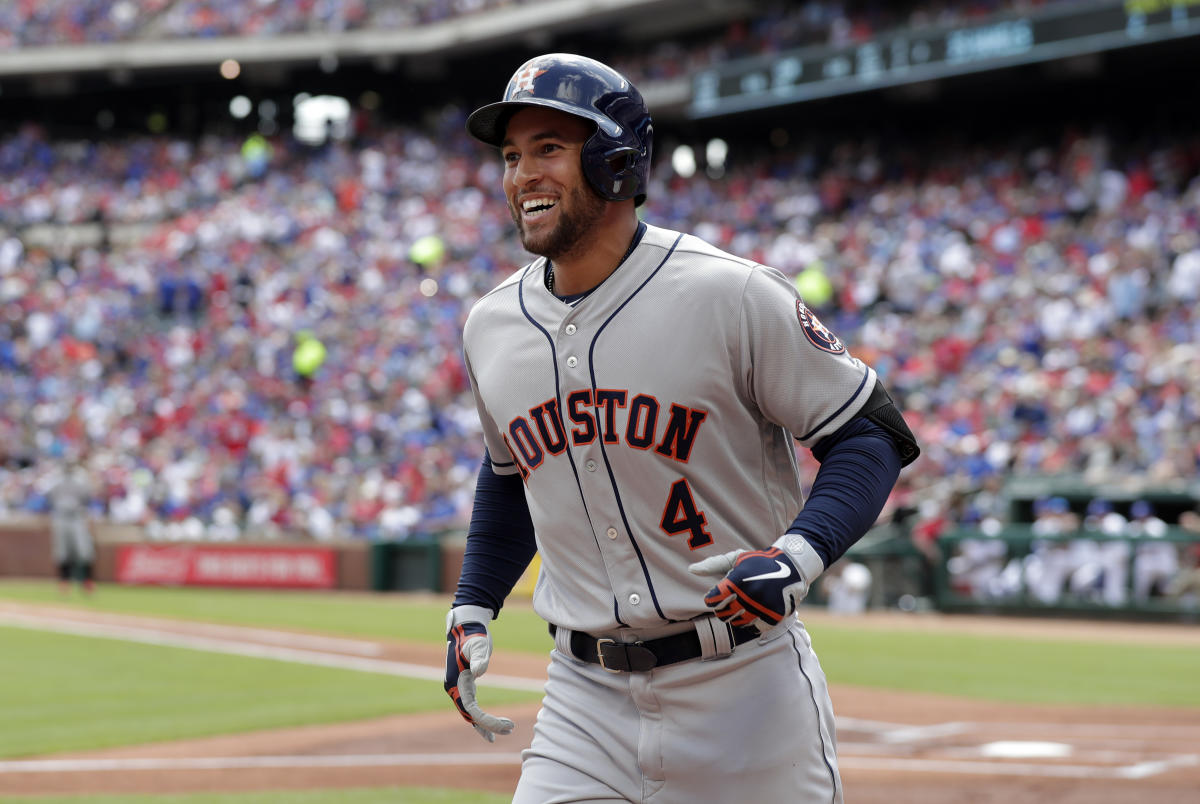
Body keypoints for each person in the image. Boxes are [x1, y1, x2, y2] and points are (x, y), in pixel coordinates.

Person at [442, 53, 919, 803]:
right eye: (509, 156)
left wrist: (799, 555)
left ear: (616, 161)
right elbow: (511, 474)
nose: (520, 174)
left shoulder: (729, 293)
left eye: (548, 149)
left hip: (745, 692)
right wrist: (473, 602)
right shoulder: (492, 325)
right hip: (582, 702)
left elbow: (870, 432)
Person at [49, 455, 96, 594]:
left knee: (84, 550)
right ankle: (64, 581)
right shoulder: (56, 480)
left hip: (77, 517)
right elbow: (50, 498)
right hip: (61, 517)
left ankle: (87, 580)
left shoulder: (81, 480)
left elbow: (87, 498)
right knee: (62, 551)